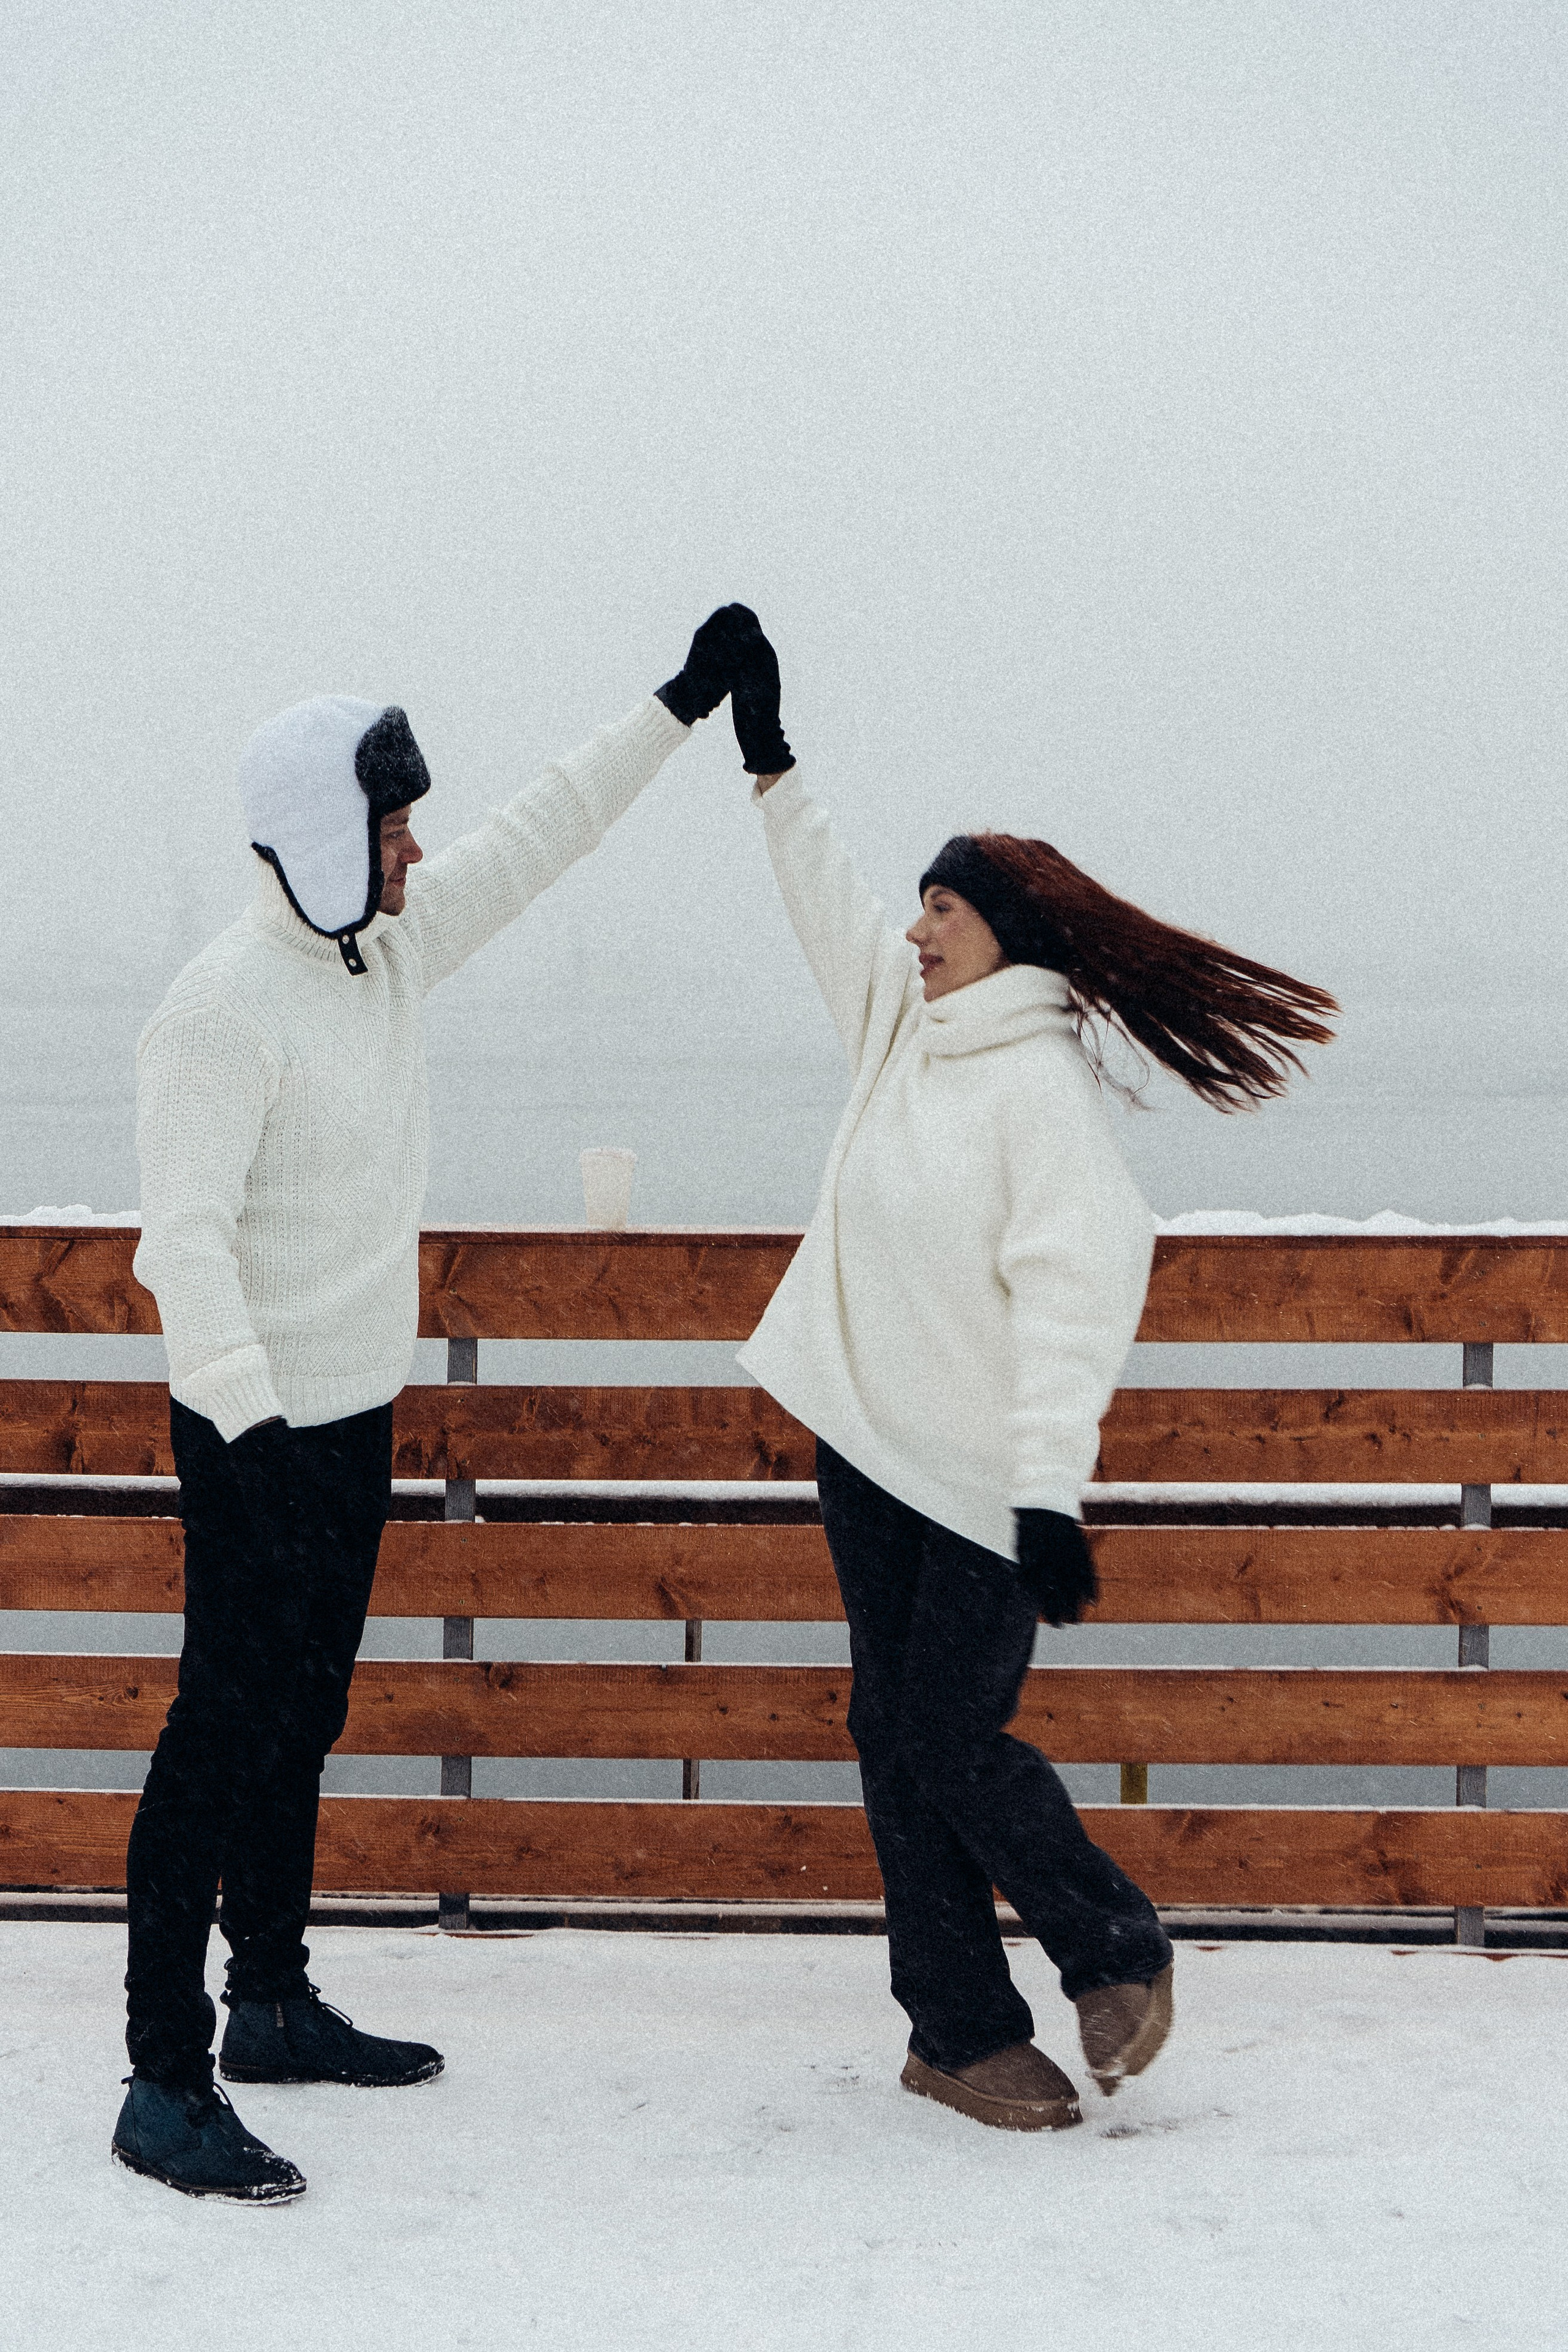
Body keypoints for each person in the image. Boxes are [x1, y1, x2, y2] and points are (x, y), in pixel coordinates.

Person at [115, 608, 761, 2201]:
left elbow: (543, 831)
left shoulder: (380, 956)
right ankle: (159, 2078)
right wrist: (254, 1435)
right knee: (216, 1736)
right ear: (327, 833)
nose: (417, 850)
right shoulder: (217, 1011)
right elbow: (179, 1249)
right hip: (251, 1427)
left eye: (408, 825)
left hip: (352, 1417)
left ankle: (268, 1998)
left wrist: (678, 703)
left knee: (305, 1714)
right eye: (392, 823)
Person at [726, 620, 1337, 2133]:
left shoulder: (1038, 1096)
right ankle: (954, 2031)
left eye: (943, 908)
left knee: (943, 1732)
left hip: (989, 1481)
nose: (916, 928)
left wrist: (1049, 1494)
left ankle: (1113, 1947)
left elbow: (1077, 1301)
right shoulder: (900, 1028)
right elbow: (821, 905)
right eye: (921, 903)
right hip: (865, 1445)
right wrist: (766, 760)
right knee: (892, 1732)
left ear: (1007, 931)